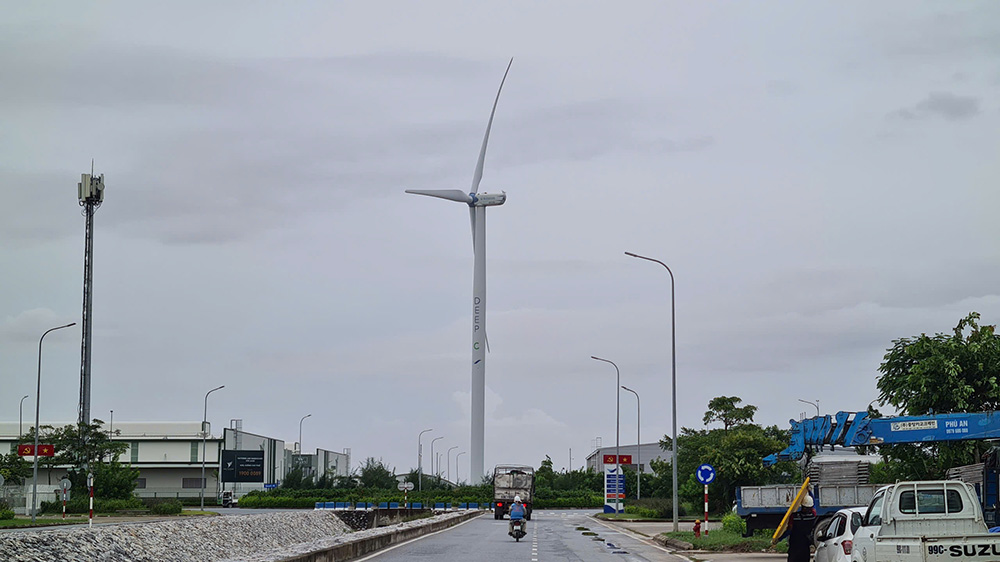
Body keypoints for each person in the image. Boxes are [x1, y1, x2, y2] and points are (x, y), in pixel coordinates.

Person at [786, 495, 817, 562]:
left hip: (795, 546)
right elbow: (814, 503)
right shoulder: (813, 515)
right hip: (805, 546)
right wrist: (810, 492)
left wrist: (779, 538)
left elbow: (789, 530)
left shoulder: (794, 516)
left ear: (802, 506)